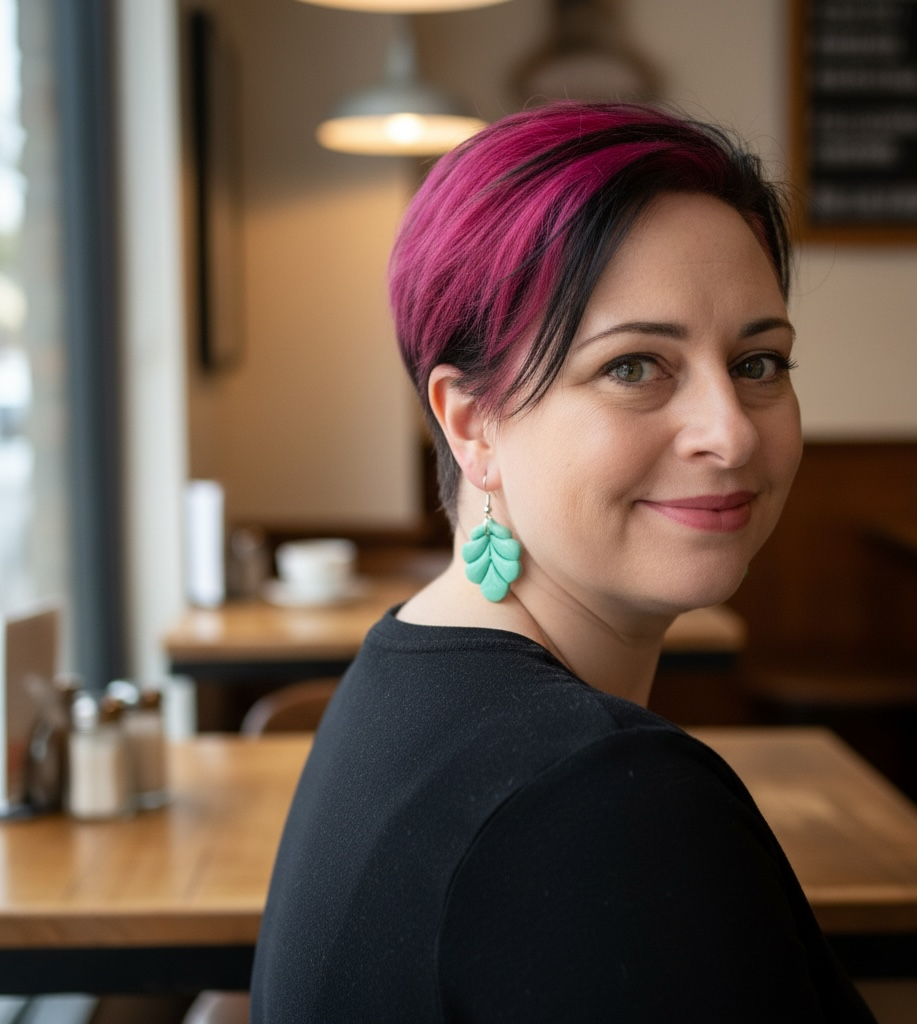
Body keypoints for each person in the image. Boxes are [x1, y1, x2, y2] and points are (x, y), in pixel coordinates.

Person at [251, 101, 877, 1022]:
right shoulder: (600, 803)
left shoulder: (409, 672)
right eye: (634, 366)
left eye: (758, 363)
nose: (731, 432)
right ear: (472, 422)